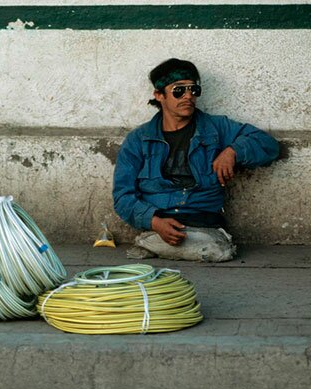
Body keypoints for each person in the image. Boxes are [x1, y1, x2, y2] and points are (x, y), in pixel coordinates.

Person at [112, 58, 279, 261]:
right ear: (159, 95)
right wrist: (154, 221)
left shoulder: (216, 128)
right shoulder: (138, 139)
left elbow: (268, 145)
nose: (188, 96)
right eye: (179, 91)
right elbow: (122, 196)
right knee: (217, 250)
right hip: (161, 220)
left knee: (219, 251)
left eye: (194, 90)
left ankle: (155, 245)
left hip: (204, 220)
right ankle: (160, 240)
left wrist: (233, 151)